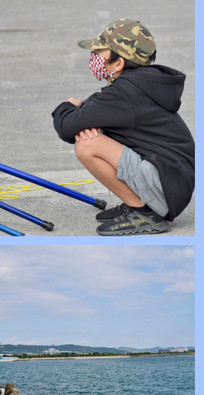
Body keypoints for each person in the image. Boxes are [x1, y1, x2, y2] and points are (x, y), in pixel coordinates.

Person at [52, 19, 194, 236]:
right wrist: (83, 119)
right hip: (171, 182)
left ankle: (143, 212)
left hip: (165, 187)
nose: (93, 56)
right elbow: (95, 105)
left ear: (118, 64)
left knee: (87, 146)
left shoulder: (124, 93)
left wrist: (68, 105)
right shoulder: (138, 84)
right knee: (91, 136)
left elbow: (66, 127)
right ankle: (138, 203)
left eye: (99, 51)